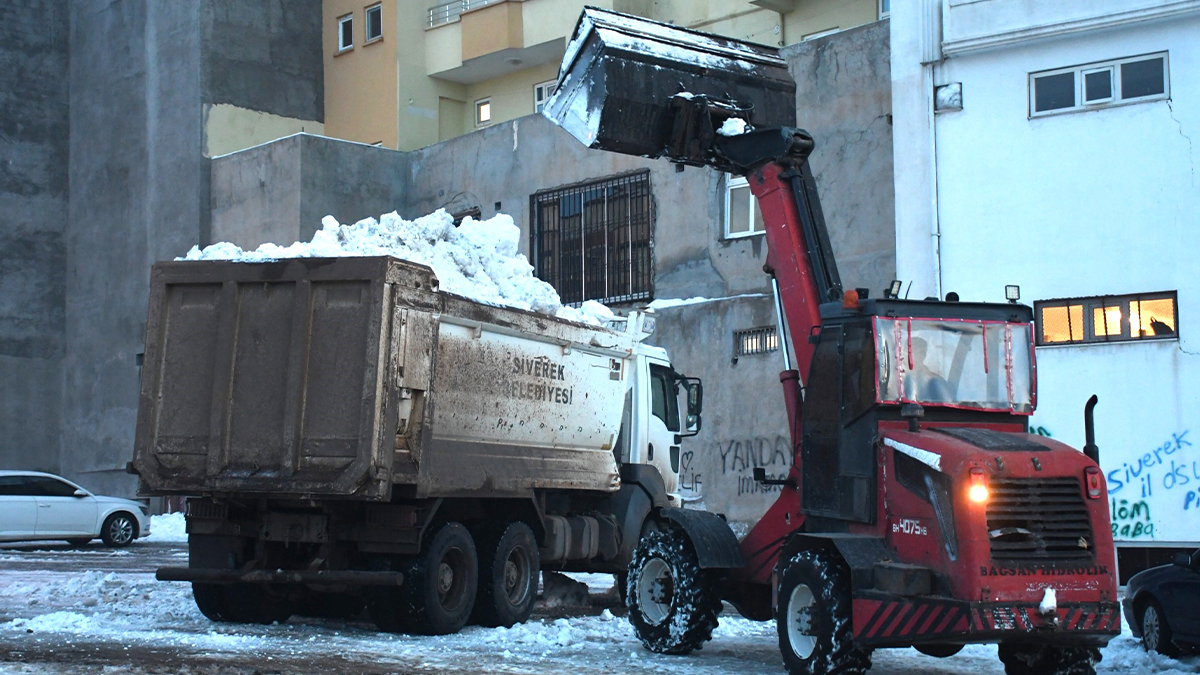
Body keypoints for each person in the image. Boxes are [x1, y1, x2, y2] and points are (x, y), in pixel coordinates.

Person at [905, 337, 948, 402]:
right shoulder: (894, 382)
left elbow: (946, 405)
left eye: (921, 352)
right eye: (912, 351)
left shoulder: (936, 382)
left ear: (925, 354)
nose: (915, 355)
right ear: (904, 352)